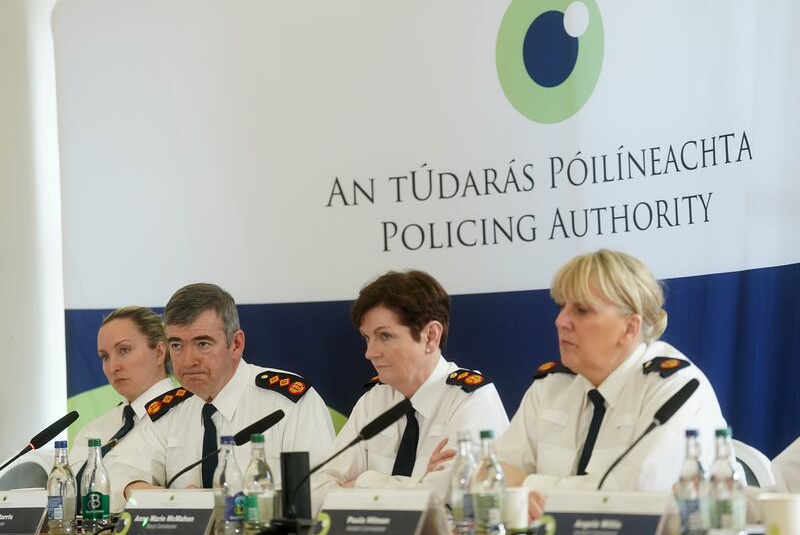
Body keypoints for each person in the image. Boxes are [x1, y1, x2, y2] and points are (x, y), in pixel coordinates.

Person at [494, 249, 727, 519]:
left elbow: (638, 500)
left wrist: (527, 484)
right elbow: (491, 476)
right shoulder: (550, 386)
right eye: (561, 307)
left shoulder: (676, 389)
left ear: (629, 328)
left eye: (581, 310)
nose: (560, 321)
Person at [110, 283, 335, 508]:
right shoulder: (171, 409)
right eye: (177, 345)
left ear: (236, 344)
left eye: (203, 343)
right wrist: (171, 499)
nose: (188, 360)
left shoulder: (288, 403)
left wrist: (229, 506)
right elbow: (116, 474)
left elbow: (319, 493)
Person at [312, 270, 509, 509]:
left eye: (385, 336)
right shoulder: (373, 401)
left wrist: (362, 482)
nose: (370, 353)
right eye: (367, 338)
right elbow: (316, 492)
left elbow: (448, 500)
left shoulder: (472, 400)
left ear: (430, 336)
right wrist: (418, 484)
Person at [69, 306, 174, 480]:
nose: (112, 367)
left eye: (124, 350)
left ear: (159, 352)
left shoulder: (188, 418)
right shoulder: (94, 429)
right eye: (104, 357)